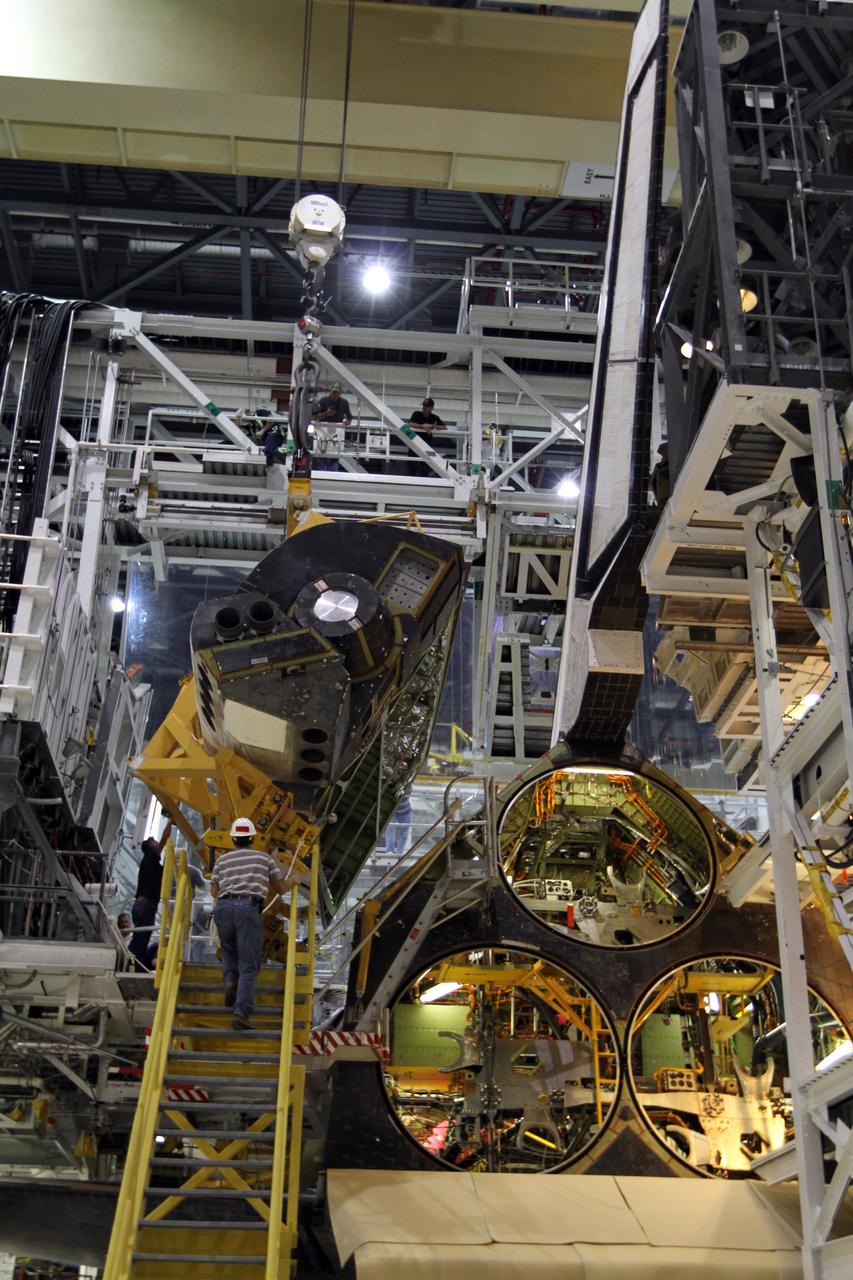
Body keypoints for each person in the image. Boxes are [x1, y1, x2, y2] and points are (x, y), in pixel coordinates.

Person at [211, 816, 295, 1030]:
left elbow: (214, 890)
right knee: (248, 965)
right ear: (252, 837)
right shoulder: (264, 859)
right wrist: (294, 880)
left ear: (233, 838)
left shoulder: (222, 860)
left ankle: (230, 983)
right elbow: (281, 888)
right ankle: (242, 1013)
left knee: (229, 953)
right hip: (247, 910)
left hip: (222, 908)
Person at [129, 820, 172, 969]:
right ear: (150, 848)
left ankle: (133, 965)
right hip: (146, 904)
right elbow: (165, 839)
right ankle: (133, 966)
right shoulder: (150, 857)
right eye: (154, 842)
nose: (157, 844)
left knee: (140, 937)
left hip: (142, 905)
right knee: (141, 939)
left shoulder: (149, 863)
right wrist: (171, 821)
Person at [312, 385, 352, 471]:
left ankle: (333, 472)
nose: (335, 395)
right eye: (334, 392)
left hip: (336, 431)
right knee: (321, 451)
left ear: (340, 394)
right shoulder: (323, 401)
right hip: (323, 430)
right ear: (330, 392)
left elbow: (349, 417)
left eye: (337, 393)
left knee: (335, 453)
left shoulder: (344, 402)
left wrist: (347, 422)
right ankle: (321, 472)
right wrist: (326, 414)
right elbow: (314, 417)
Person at [406, 397, 446, 476]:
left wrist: (432, 426)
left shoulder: (434, 417)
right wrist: (423, 426)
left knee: (425, 464)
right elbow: (410, 424)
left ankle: (424, 479)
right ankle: (410, 478)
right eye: (424, 406)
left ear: (431, 408)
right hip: (414, 442)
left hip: (427, 444)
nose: (424, 408)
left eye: (426, 406)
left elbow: (444, 427)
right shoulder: (417, 414)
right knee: (412, 463)